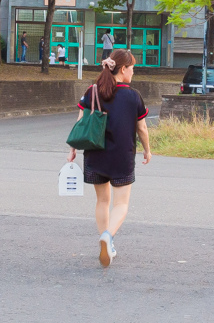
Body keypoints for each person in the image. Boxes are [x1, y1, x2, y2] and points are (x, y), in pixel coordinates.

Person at [68, 49, 152, 267]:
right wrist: (147, 150)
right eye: (132, 69)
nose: (133, 73)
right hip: (122, 156)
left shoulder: (92, 91)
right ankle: (108, 236)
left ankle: (105, 242)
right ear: (123, 69)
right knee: (121, 204)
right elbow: (142, 128)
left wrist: (73, 149)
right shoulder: (133, 96)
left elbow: (81, 122)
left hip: (95, 154)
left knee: (102, 201)